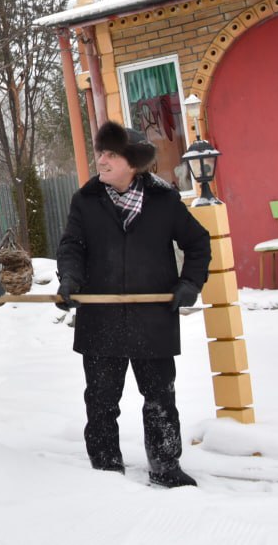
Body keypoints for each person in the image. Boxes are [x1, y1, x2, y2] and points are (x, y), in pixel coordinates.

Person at [56, 120, 211, 488]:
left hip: (152, 318)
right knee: (102, 401)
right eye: (101, 153)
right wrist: (69, 280)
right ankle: (106, 470)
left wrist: (190, 282)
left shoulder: (164, 200)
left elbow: (198, 243)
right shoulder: (86, 200)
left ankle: (165, 466)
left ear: (133, 162)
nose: (102, 161)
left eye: (112, 154)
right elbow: (71, 247)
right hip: (101, 318)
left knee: (160, 399)